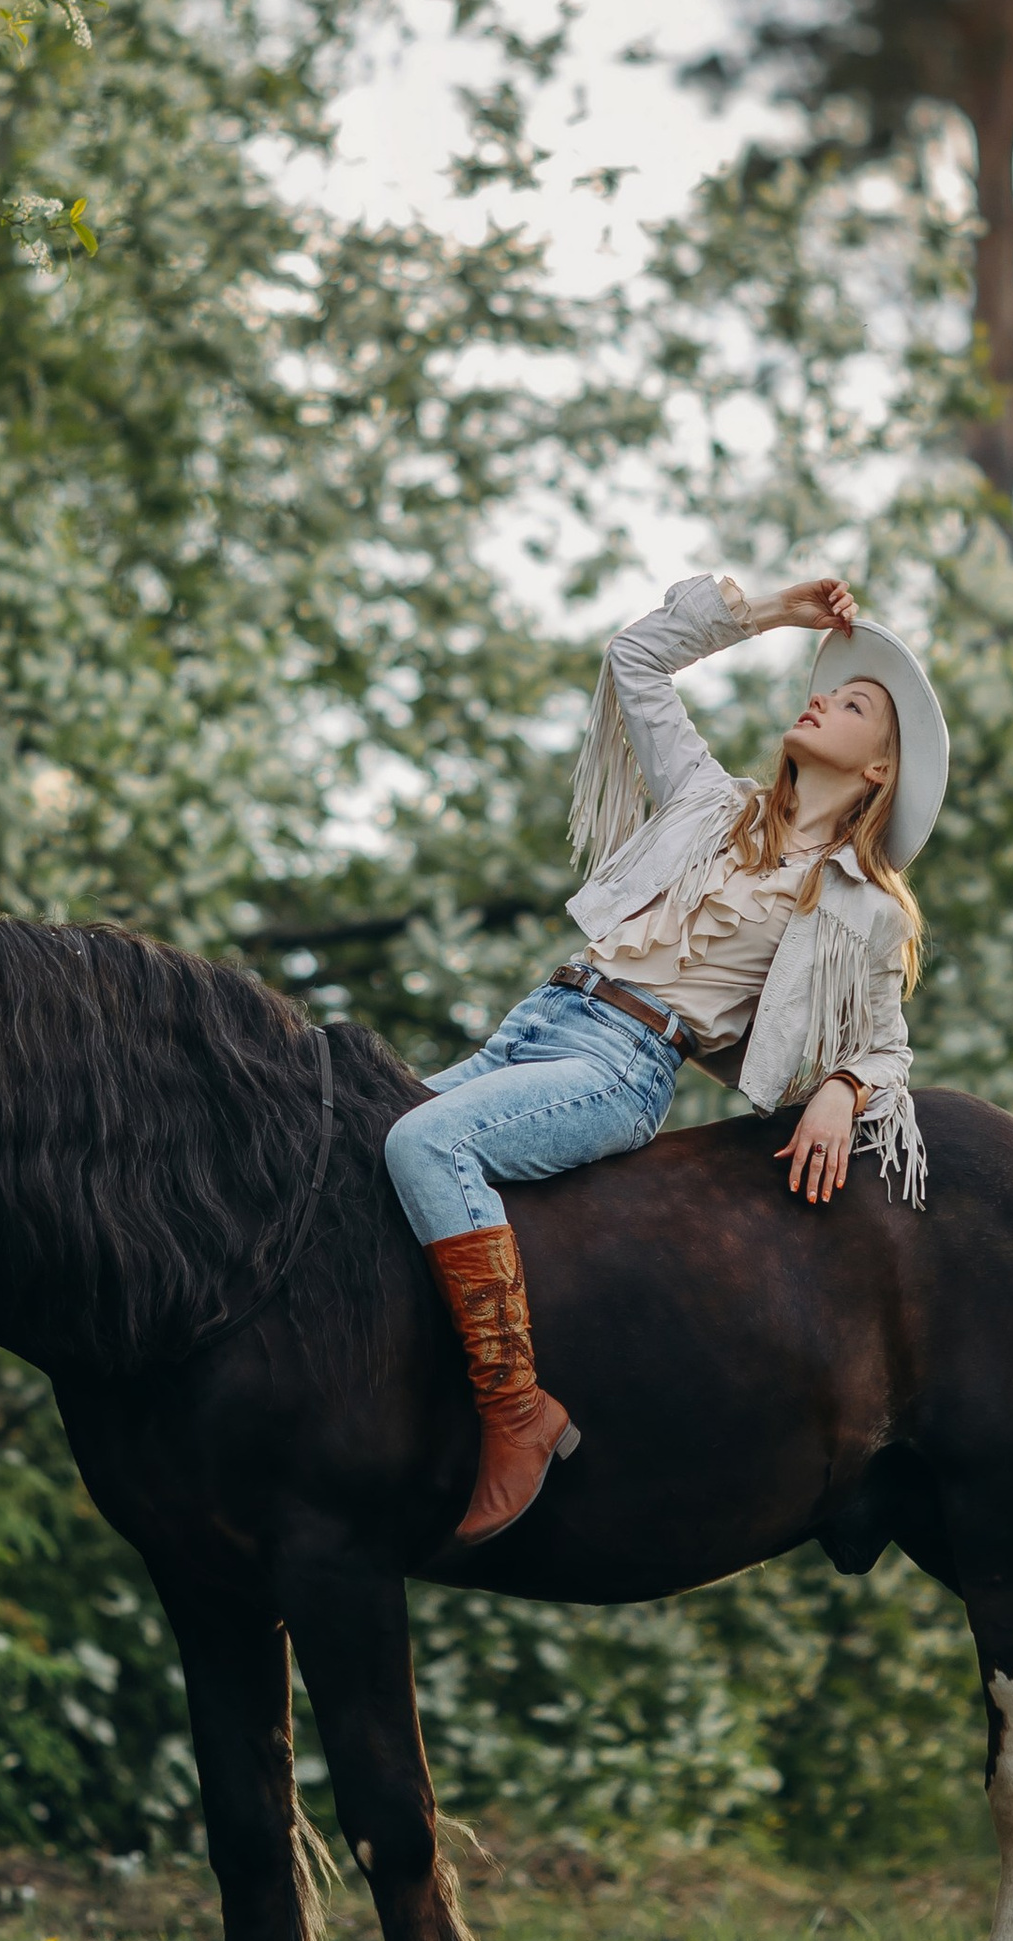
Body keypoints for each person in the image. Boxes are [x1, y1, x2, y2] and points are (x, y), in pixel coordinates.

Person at [383, 572, 948, 1543]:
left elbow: (884, 1044)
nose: (819, 696)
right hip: (537, 1022)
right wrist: (772, 611)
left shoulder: (853, 901)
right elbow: (632, 662)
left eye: (852, 704)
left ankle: (518, 1414)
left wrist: (844, 1090)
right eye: (825, 686)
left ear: (878, 773)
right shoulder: (711, 805)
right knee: (368, 1147)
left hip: (622, 1065)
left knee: (426, 1149)